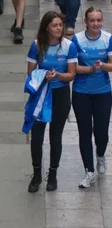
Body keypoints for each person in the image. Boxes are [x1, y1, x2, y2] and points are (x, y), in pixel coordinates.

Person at [25, 11, 77, 192]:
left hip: (60, 94)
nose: (58, 28)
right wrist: (43, 76)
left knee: (55, 137)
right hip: (41, 94)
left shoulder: (69, 46)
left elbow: (71, 74)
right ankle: (36, 174)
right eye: (55, 25)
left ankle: (53, 174)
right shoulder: (37, 45)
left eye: (60, 25)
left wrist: (58, 76)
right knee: (37, 137)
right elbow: (30, 72)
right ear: (46, 27)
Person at [70, 6, 112, 188]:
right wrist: (90, 69)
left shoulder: (108, 39)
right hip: (81, 92)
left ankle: (100, 154)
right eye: (92, 20)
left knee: (101, 132)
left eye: (99, 20)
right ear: (86, 22)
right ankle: (89, 171)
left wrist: (102, 66)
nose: (96, 24)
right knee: (84, 131)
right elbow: (72, 67)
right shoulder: (77, 40)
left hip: (102, 92)